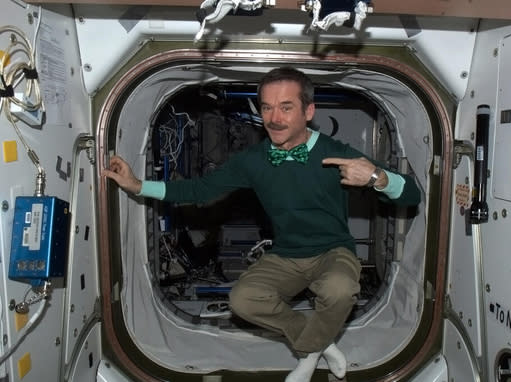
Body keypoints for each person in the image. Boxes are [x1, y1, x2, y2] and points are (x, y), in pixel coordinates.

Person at [102, 66, 421, 382]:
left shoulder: (335, 153)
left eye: (286, 107)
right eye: (267, 108)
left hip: (332, 251)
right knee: (242, 300)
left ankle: (308, 357)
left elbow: (411, 194)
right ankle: (318, 345)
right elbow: (198, 190)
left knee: (340, 290)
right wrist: (138, 186)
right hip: (286, 254)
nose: (274, 118)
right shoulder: (253, 160)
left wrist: (377, 177)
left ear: (309, 111)